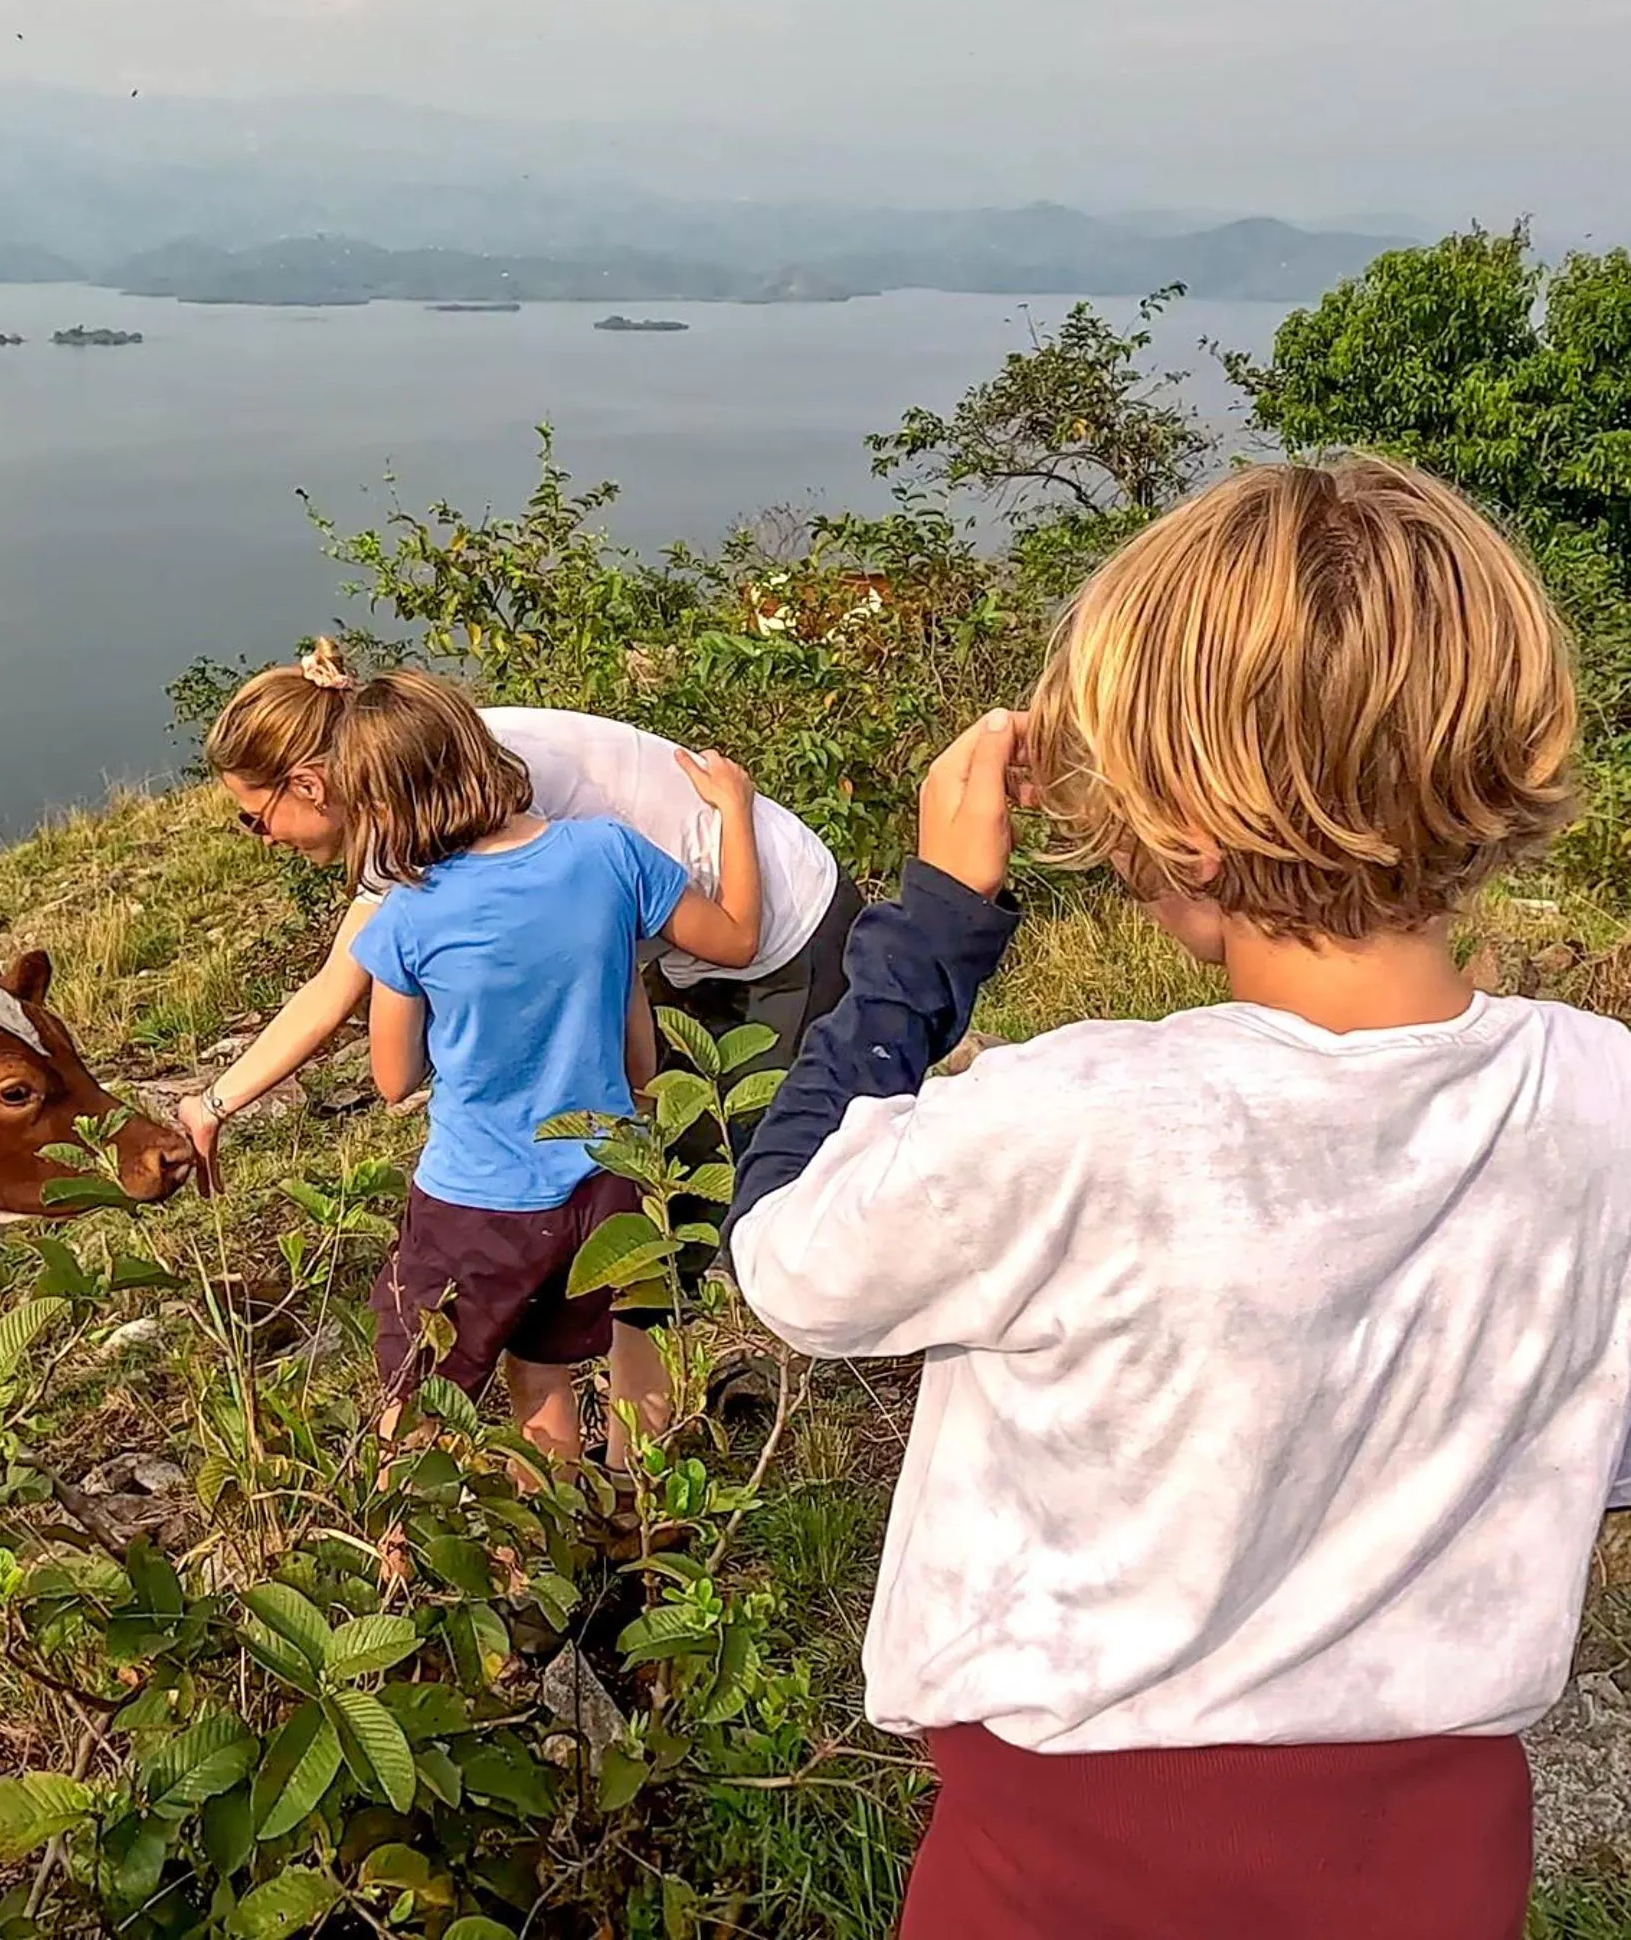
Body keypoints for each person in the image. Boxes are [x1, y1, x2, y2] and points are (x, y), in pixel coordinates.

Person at [726, 457, 1631, 1939]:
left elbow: (791, 1254)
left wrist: (929, 932)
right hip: (1441, 1850)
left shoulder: (1082, 1116)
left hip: (1070, 1855)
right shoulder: (1605, 1095)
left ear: (1191, 834)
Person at [181, 641, 857, 1191]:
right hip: (692, 938)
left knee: (751, 1174)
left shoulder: (476, 780)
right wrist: (214, 1105)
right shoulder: (412, 782)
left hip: (784, 930)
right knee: (667, 1167)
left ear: (307, 785)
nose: (263, 839)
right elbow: (335, 984)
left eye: (254, 818)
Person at [316, 664, 761, 1464]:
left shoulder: (408, 916)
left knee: (428, 1395)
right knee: (611, 1347)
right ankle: (634, 1514)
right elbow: (736, 938)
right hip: (608, 1175)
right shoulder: (608, 852)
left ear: (382, 805)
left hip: (475, 1202)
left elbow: (392, 1079)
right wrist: (734, 809)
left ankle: (476, 1526)